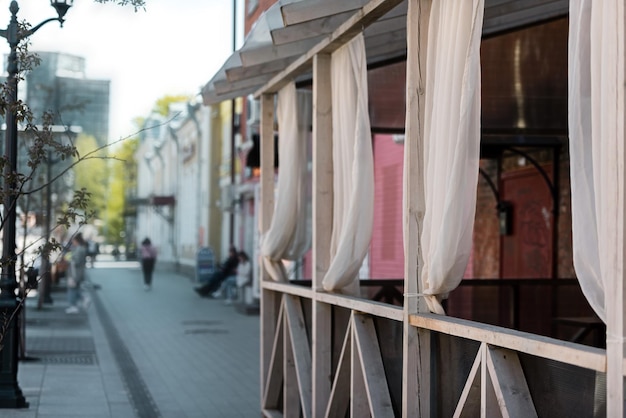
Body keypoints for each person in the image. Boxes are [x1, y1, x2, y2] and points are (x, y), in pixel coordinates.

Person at [66, 233, 89, 314]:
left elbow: (76, 261)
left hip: (75, 273)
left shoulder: (79, 249)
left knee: (72, 289)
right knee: (76, 289)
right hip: (77, 273)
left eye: (73, 241)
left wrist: (69, 259)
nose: (72, 242)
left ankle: (74, 305)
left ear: (77, 241)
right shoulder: (80, 249)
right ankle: (83, 299)